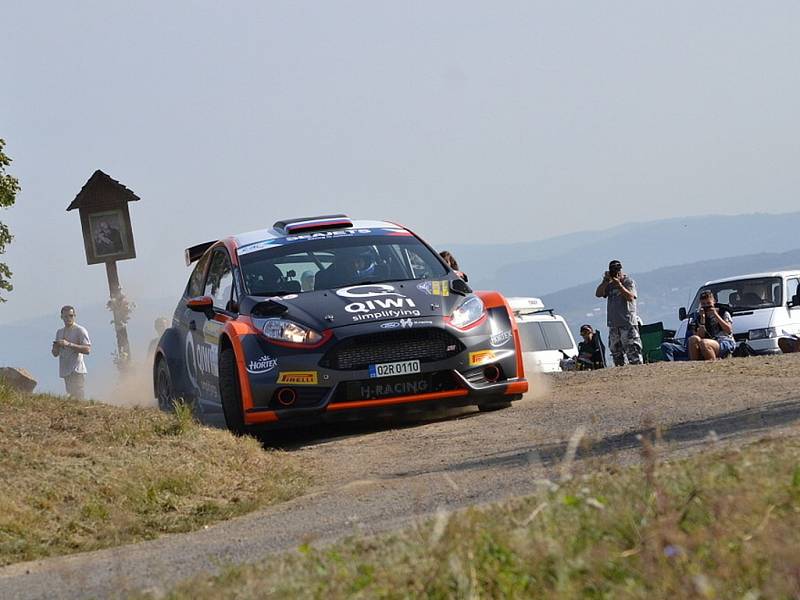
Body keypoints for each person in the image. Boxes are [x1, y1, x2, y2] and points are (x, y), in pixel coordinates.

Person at [595, 259, 642, 366]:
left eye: (617, 270)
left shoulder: (628, 282)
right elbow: (598, 294)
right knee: (616, 352)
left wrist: (620, 285)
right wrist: (605, 281)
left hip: (627, 323)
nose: (616, 272)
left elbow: (631, 297)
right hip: (614, 325)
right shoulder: (609, 284)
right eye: (613, 270)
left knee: (633, 351)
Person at [51, 305, 91, 399]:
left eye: (71, 315)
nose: (68, 318)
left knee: (78, 396)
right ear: (61, 317)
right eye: (66, 316)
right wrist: (55, 347)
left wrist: (68, 344)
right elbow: (55, 354)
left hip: (76, 369)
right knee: (71, 396)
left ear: (74, 315)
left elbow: (87, 350)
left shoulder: (80, 330)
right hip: (65, 370)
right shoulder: (59, 332)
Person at [687, 290, 735, 360]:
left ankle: (713, 364)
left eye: (708, 303)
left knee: (704, 343)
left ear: (714, 302)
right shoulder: (698, 316)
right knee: (693, 339)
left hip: (724, 341)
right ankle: (695, 364)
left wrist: (716, 315)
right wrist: (702, 320)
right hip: (708, 340)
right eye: (703, 304)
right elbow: (700, 336)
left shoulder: (723, 312)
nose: (707, 306)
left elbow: (728, 330)